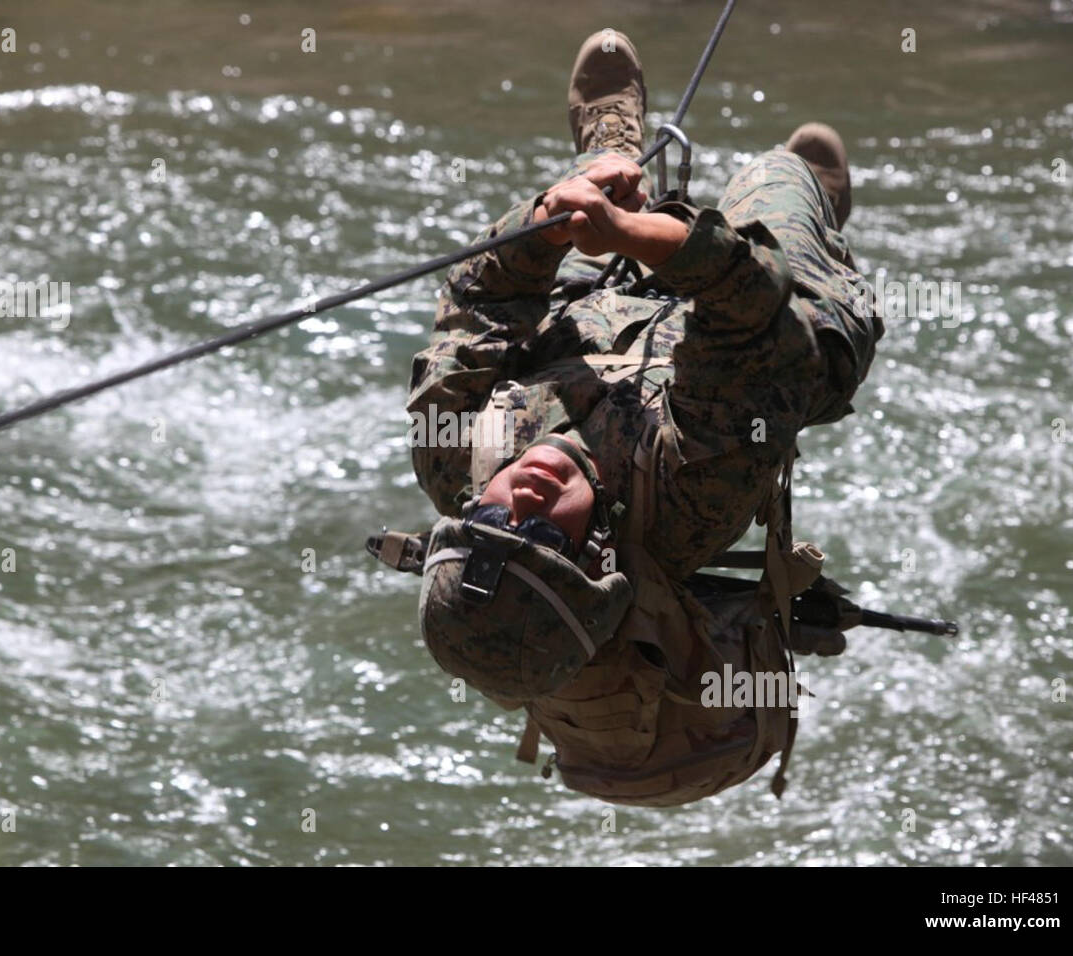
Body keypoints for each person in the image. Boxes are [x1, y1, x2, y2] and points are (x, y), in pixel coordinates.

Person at [372, 29, 883, 806]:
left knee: (582, 206)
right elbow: (748, 315)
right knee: (775, 180)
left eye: (490, 521)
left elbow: (475, 306)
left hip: (603, 328)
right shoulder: (684, 504)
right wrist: (643, 238)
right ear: (600, 558)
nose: (524, 499)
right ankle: (818, 210)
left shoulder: (453, 461)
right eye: (544, 537)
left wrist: (547, 224)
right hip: (771, 341)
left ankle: (613, 156)